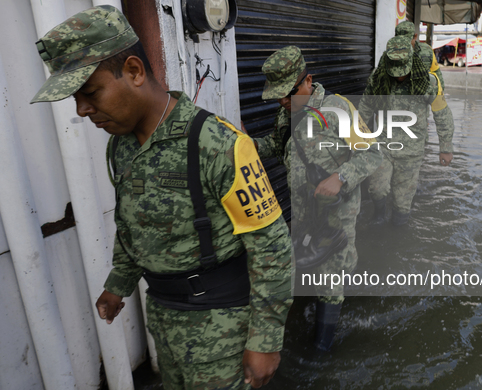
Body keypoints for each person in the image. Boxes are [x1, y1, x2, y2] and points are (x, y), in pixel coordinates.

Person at [30, 6, 292, 389]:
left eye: (89, 92)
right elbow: (132, 222)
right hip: (165, 319)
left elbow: (272, 248)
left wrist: (266, 340)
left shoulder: (217, 144)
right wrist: (119, 282)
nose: (82, 110)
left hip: (223, 330)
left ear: (134, 71)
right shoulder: (120, 147)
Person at [255, 46, 382, 350]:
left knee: (331, 279)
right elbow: (275, 146)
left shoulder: (337, 109)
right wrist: (243, 144)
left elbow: (374, 153)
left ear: (307, 80)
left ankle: (323, 348)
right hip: (302, 214)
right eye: (279, 97)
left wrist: (340, 178)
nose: (284, 102)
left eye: (289, 94)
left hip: (336, 215)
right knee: (309, 268)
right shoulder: (287, 115)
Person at [358, 35, 454, 227]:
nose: (399, 76)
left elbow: (442, 113)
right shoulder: (378, 79)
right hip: (383, 146)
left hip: (411, 151)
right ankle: (378, 214)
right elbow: (365, 109)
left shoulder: (428, 82)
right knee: (376, 188)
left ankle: (398, 233)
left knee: (402, 203)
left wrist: (445, 147)